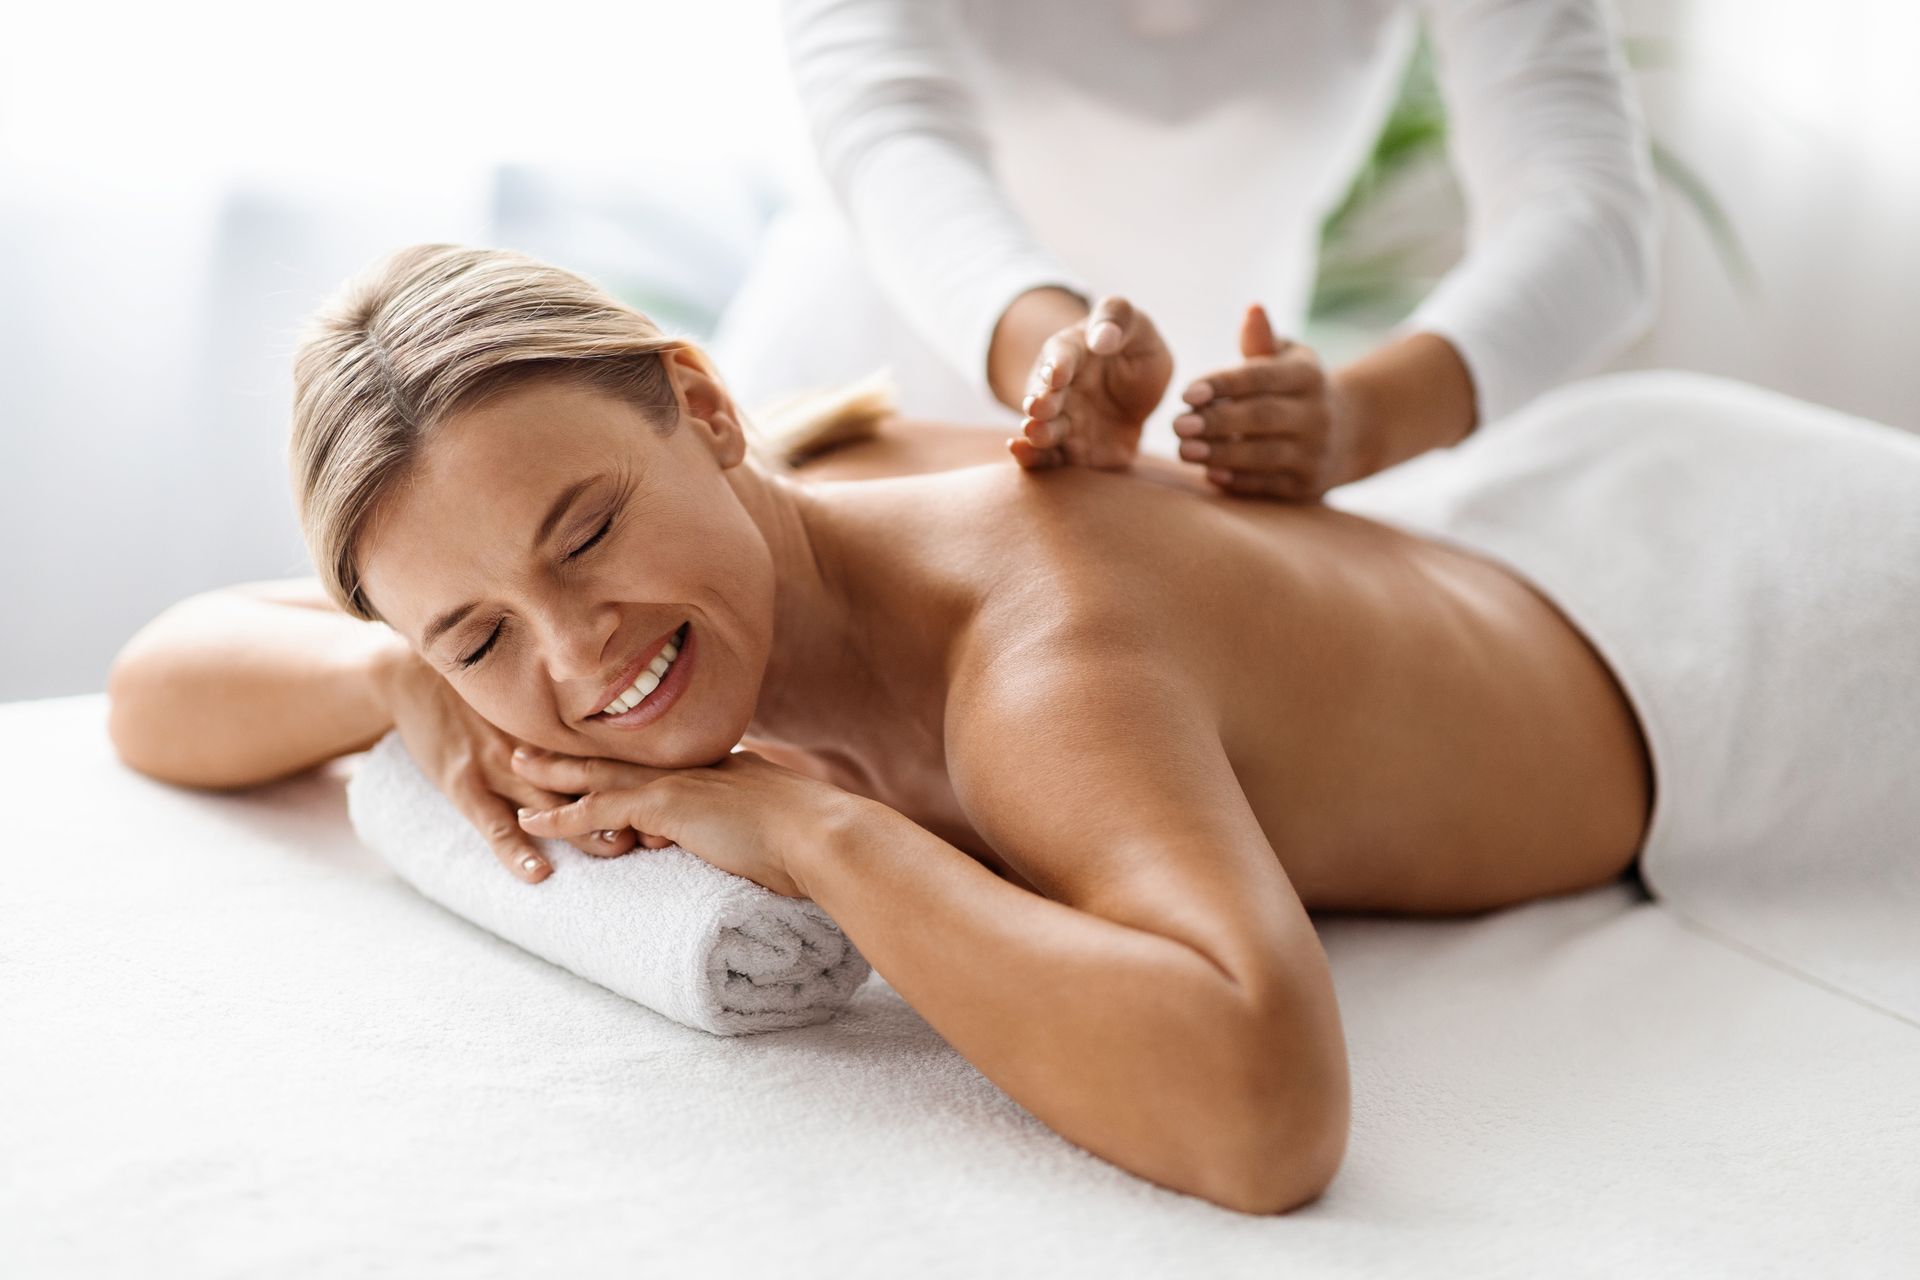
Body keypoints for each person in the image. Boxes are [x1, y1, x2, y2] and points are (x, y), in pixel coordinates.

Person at [105, 246, 1919, 1214]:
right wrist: (401, 687)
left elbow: (1262, 1109)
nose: (578, 660)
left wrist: (813, 836)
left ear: (704, 409)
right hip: (1495, 542)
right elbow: (156, 688)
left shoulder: (1035, 661)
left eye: (585, 533)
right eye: (483, 626)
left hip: (1749, 619)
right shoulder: (742, 538)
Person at [711, 0, 1662, 500]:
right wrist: (1058, 358)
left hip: (1195, 442)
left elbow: (1589, 211)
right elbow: (888, 133)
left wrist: (1358, 424)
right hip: (853, 401)